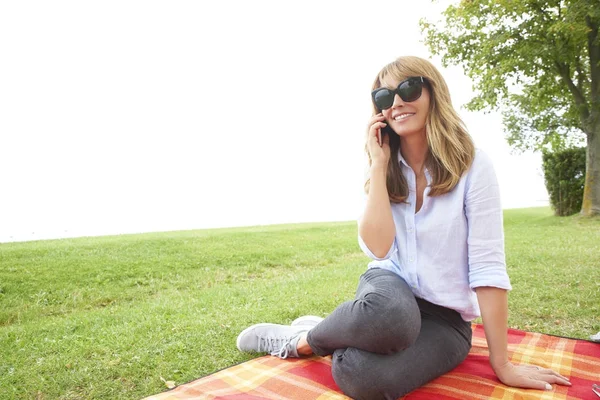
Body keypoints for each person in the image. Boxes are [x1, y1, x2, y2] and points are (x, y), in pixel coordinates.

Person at [236, 56, 571, 399]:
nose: (396, 103)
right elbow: (379, 249)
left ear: (432, 93)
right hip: (388, 291)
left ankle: (331, 331)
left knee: (364, 378)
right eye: (384, 97)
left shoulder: (474, 166)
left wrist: (503, 364)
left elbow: (487, 267)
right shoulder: (383, 165)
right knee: (393, 316)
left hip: (445, 320)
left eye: (408, 89)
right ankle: (303, 342)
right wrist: (379, 165)